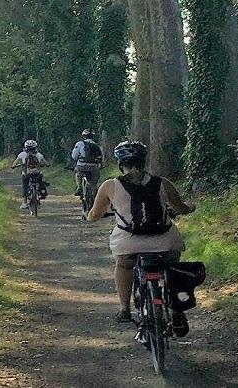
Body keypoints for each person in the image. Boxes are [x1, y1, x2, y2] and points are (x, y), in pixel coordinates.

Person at [84, 141, 197, 332]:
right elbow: (181, 208)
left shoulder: (110, 185)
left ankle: (124, 309)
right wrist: (191, 207)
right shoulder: (162, 183)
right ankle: (177, 309)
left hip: (128, 244)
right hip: (166, 243)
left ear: (121, 163)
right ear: (143, 162)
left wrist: (89, 216)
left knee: (123, 265)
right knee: (172, 268)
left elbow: (94, 216)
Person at [69, 129, 106, 203]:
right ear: (93, 136)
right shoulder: (97, 145)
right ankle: (95, 196)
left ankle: (79, 187)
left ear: (84, 136)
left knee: (78, 172)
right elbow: (102, 158)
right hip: (94, 167)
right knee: (94, 183)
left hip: (82, 166)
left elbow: (74, 156)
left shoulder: (79, 144)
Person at [10, 140, 50, 208]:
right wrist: (47, 165)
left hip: (26, 174)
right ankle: (40, 193)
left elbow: (14, 164)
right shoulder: (39, 155)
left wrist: (14, 166)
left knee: (25, 186)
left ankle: (24, 203)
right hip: (37, 174)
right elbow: (46, 163)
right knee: (40, 182)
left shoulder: (22, 154)